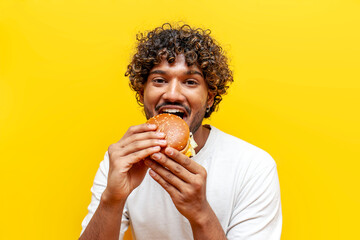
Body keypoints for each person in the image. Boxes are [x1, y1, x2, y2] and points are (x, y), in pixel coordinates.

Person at [80, 23, 282, 240]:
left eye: (190, 82)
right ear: (142, 93)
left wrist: (200, 213)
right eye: (159, 80)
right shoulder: (121, 160)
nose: (173, 94)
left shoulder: (254, 166)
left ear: (210, 98)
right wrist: (112, 199)